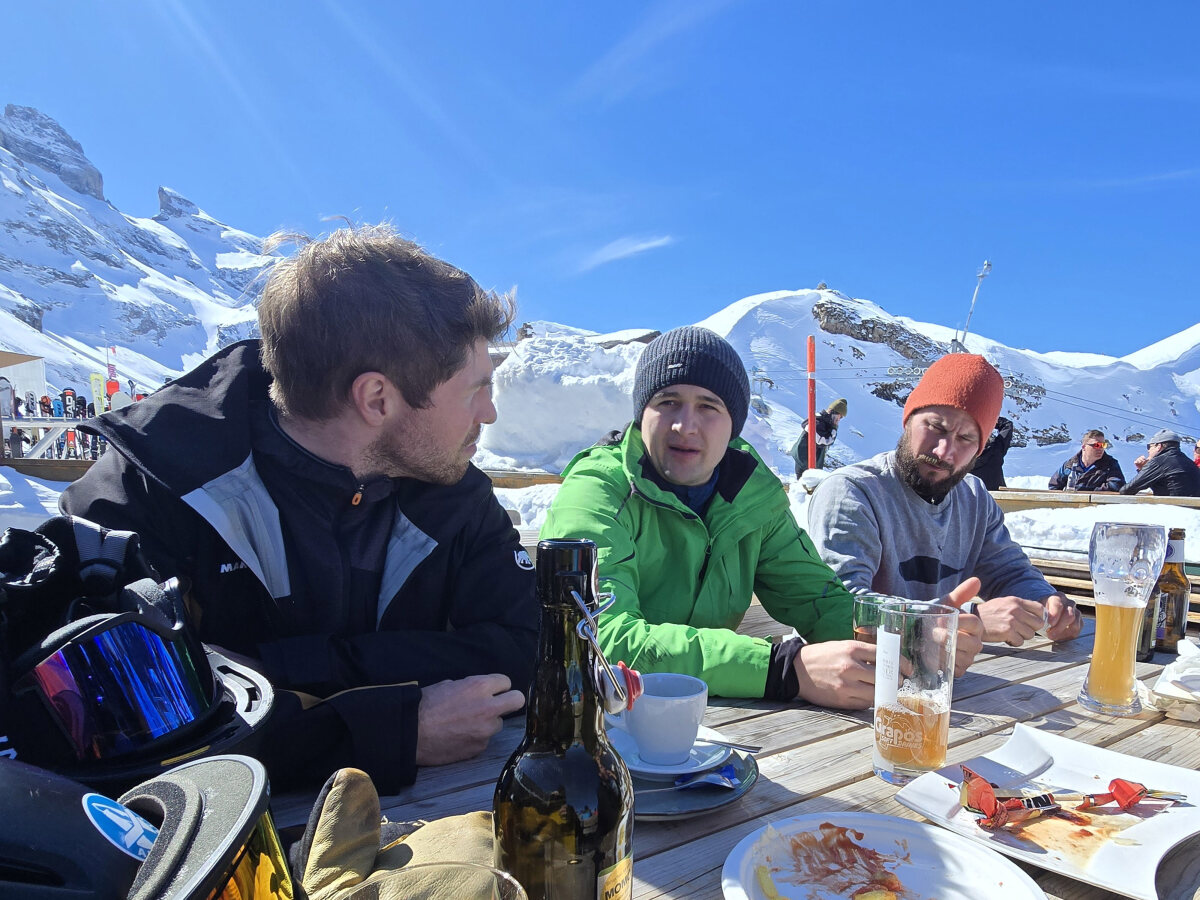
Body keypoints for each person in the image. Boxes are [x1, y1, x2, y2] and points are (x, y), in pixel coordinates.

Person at [60, 224, 539, 792]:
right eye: (476, 390)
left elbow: (527, 649)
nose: (488, 414)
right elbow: (120, 715)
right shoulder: (149, 485)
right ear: (377, 399)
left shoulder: (453, 491)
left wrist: (279, 668)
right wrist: (385, 730)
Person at [540, 327, 982, 711]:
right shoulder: (598, 489)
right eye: (667, 401)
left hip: (714, 723)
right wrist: (782, 669)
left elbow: (815, 598)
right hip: (593, 720)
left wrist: (912, 635)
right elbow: (600, 638)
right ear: (642, 414)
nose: (685, 425)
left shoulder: (752, 497)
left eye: (709, 406)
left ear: (733, 424)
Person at [807, 353, 1082, 647]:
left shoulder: (974, 498)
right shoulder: (852, 492)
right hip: (857, 670)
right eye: (936, 427)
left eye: (965, 439)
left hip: (941, 670)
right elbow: (841, 607)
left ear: (979, 450)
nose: (944, 451)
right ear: (908, 420)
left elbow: (1008, 572)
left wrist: (1046, 602)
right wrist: (960, 621)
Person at [1120, 429, 1200, 497]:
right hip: (1193, 508)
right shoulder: (1189, 462)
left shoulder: (1159, 461)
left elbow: (1126, 490)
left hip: (1175, 508)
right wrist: (1143, 469)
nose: (1148, 450)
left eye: (1150, 446)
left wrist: (1144, 468)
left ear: (1159, 446)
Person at [1048, 429, 1125, 492]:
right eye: (1096, 445)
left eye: (1103, 445)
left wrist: (1084, 491)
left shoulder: (1110, 464)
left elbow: (1117, 486)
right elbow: (1053, 485)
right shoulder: (1069, 465)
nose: (1100, 448)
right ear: (1084, 447)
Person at [789, 398, 846, 477]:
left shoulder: (823, 421)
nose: (839, 420)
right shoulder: (818, 422)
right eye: (840, 417)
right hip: (804, 459)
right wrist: (834, 428)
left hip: (806, 459)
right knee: (804, 482)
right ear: (834, 413)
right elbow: (822, 441)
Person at [971, 415, 1013, 491]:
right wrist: (986, 419)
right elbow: (1007, 425)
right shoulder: (996, 450)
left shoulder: (961, 459)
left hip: (971, 497)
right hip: (998, 497)